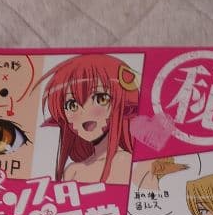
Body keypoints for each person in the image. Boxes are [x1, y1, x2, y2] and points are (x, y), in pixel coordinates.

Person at [36, 53, 139, 183]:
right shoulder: (72, 171)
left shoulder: (126, 162)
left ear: (121, 104)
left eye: (101, 99)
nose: (84, 112)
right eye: (72, 105)